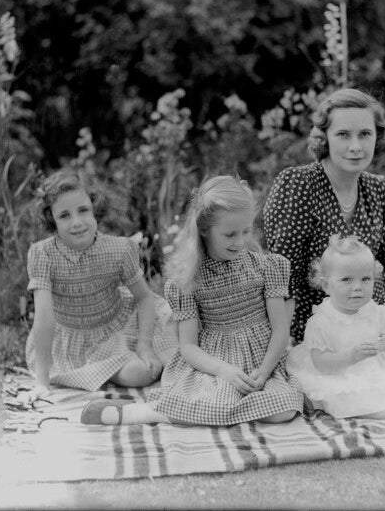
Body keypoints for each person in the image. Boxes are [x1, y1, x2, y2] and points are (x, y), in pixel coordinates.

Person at [263, 87, 385, 376]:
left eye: (365, 134)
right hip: (327, 315)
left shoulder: (377, 187)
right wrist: (282, 344)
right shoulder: (298, 184)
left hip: (376, 301)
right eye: (343, 134)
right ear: (324, 138)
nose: (356, 146)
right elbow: (282, 272)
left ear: (377, 137)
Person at [80, 175, 303, 426]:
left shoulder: (267, 268)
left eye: (246, 231)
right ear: (205, 230)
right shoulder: (188, 281)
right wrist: (223, 371)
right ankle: (139, 412)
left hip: (263, 360)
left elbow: (280, 329)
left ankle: (196, 410)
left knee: (282, 411)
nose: (240, 242)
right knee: (215, 402)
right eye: (230, 234)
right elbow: (188, 347)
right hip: (215, 363)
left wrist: (264, 370)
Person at [25, 169, 175, 402]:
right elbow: (44, 319)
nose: (76, 223)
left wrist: (144, 345)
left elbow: (144, 298)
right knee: (139, 373)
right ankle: (105, 369)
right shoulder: (42, 254)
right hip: (71, 341)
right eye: (64, 215)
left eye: (83, 210)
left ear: (95, 208)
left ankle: (168, 360)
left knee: (170, 340)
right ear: (51, 220)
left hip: (118, 326)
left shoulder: (119, 249)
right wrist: (42, 381)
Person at [286, 235, 385, 425]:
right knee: (346, 396)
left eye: (365, 279)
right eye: (346, 280)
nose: (357, 287)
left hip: (371, 367)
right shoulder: (320, 322)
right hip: (337, 371)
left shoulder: (376, 312)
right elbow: (321, 364)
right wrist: (351, 356)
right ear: (326, 285)